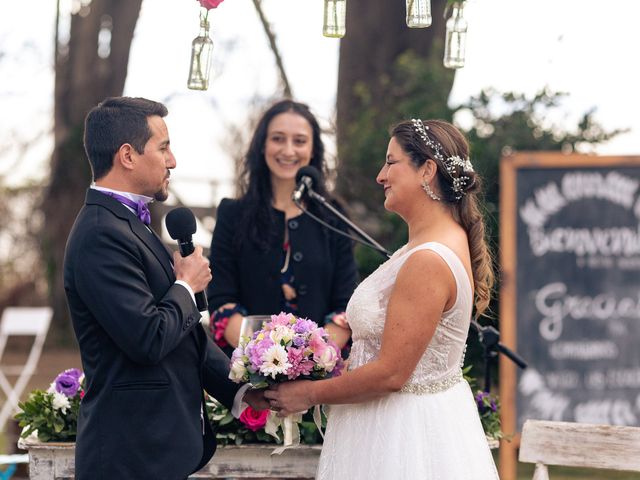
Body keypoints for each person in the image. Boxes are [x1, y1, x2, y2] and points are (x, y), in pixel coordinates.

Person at [265, 119, 500, 479]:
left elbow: (391, 372)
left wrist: (309, 393)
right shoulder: (429, 246)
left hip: (403, 438)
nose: (380, 175)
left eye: (391, 162)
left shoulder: (428, 259)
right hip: (401, 422)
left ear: (427, 170)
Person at [64, 96, 266, 480]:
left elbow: (183, 334)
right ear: (127, 155)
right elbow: (147, 337)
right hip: (130, 454)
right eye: (163, 147)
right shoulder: (98, 234)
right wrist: (186, 285)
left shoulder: (131, 225)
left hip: (160, 450)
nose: (172, 160)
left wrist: (241, 389)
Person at [207, 99, 358, 355]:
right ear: (262, 145)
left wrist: (309, 361)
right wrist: (265, 358)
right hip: (250, 370)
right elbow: (222, 302)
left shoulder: (333, 216)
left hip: (320, 376)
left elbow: (347, 308)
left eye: (299, 141)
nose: (288, 150)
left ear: (313, 150)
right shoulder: (232, 214)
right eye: (278, 138)